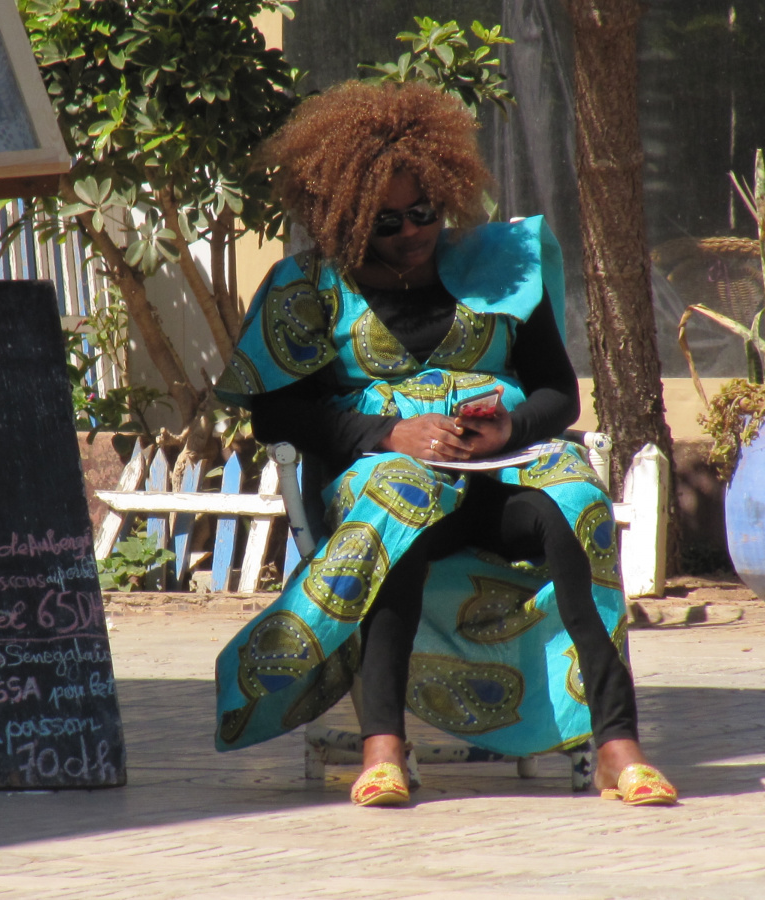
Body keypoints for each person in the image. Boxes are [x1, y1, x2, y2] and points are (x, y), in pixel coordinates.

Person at [213, 80, 676, 808]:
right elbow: (275, 415)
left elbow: (558, 392)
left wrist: (510, 428)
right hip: (386, 475)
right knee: (400, 503)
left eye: (422, 212)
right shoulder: (307, 288)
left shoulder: (503, 267)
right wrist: (387, 433)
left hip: (499, 475)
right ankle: (383, 749)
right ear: (347, 217)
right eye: (386, 221)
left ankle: (617, 744)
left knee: (578, 500)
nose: (410, 232)